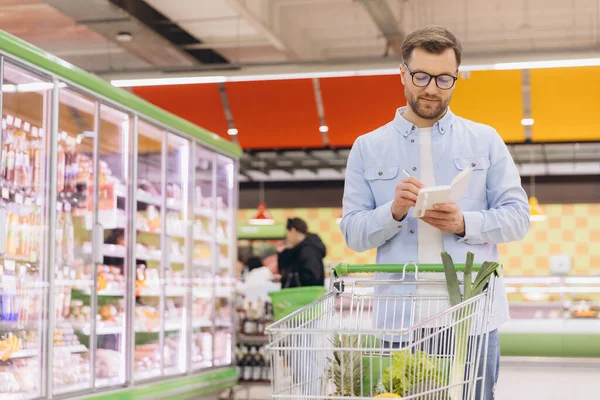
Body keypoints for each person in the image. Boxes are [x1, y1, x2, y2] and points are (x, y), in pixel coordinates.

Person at [339, 25, 530, 399]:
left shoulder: (485, 140)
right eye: (421, 76)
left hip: (471, 321)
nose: (431, 88)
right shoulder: (368, 147)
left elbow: (517, 218)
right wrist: (392, 212)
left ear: (456, 78)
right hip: (399, 322)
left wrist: (464, 223)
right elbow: (352, 233)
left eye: (445, 79)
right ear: (402, 74)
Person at [278, 217, 326, 288]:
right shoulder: (300, 249)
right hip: (306, 295)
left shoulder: (308, 250)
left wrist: (290, 278)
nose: (287, 238)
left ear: (293, 230)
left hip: (306, 296)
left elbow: (311, 276)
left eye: (287, 234)